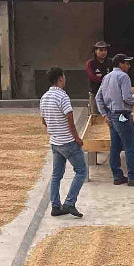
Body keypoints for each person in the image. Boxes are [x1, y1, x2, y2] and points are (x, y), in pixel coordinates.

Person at [40, 67, 87, 217]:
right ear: (60, 78)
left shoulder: (45, 97)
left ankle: (55, 206)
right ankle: (69, 203)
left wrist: (55, 129)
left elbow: (44, 121)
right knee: (81, 171)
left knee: (56, 175)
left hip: (55, 142)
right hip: (68, 142)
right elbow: (70, 121)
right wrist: (77, 139)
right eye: (64, 77)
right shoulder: (63, 97)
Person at [95, 54, 134, 186]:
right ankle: (133, 177)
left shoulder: (106, 77)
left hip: (111, 114)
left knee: (115, 147)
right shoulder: (123, 76)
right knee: (129, 146)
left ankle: (117, 176)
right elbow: (126, 98)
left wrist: (104, 115)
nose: (129, 66)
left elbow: (98, 98)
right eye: (127, 63)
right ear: (121, 64)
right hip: (123, 115)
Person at [85, 41, 112, 113]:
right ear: (95, 51)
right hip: (95, 94)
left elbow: (113, 78)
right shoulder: (90, 63)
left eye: (105, 50)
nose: (103, 52)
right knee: (95, 116)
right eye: (101, 50)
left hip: (108, 95)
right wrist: (105, 78)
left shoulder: (110, 62)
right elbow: (93, 78)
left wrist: (102, 77)